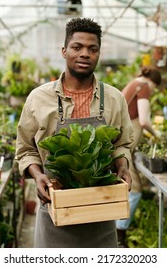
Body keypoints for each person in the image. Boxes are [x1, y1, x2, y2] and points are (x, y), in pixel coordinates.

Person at [15, 17, 134, 248]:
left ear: (99, 54)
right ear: (64, 51)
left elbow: (123, 144)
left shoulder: (114, 98)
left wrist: (122, 166)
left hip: (101, 206)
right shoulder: (38, 98)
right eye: (77, 47)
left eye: (93, 49)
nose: (85, 54)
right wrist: (38, 176)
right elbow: (26, 149)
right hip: (55, 206)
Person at [116, 66, 162, 247]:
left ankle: (117, 230)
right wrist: (157, 134)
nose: (152, 92)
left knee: (124, 186)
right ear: (153, 83)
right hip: (125, 148)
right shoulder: (143, 87)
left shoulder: (132, 83)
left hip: (120, 144)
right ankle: (120, 234)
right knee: (134, 189)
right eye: (155, 89)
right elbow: (143, 120)